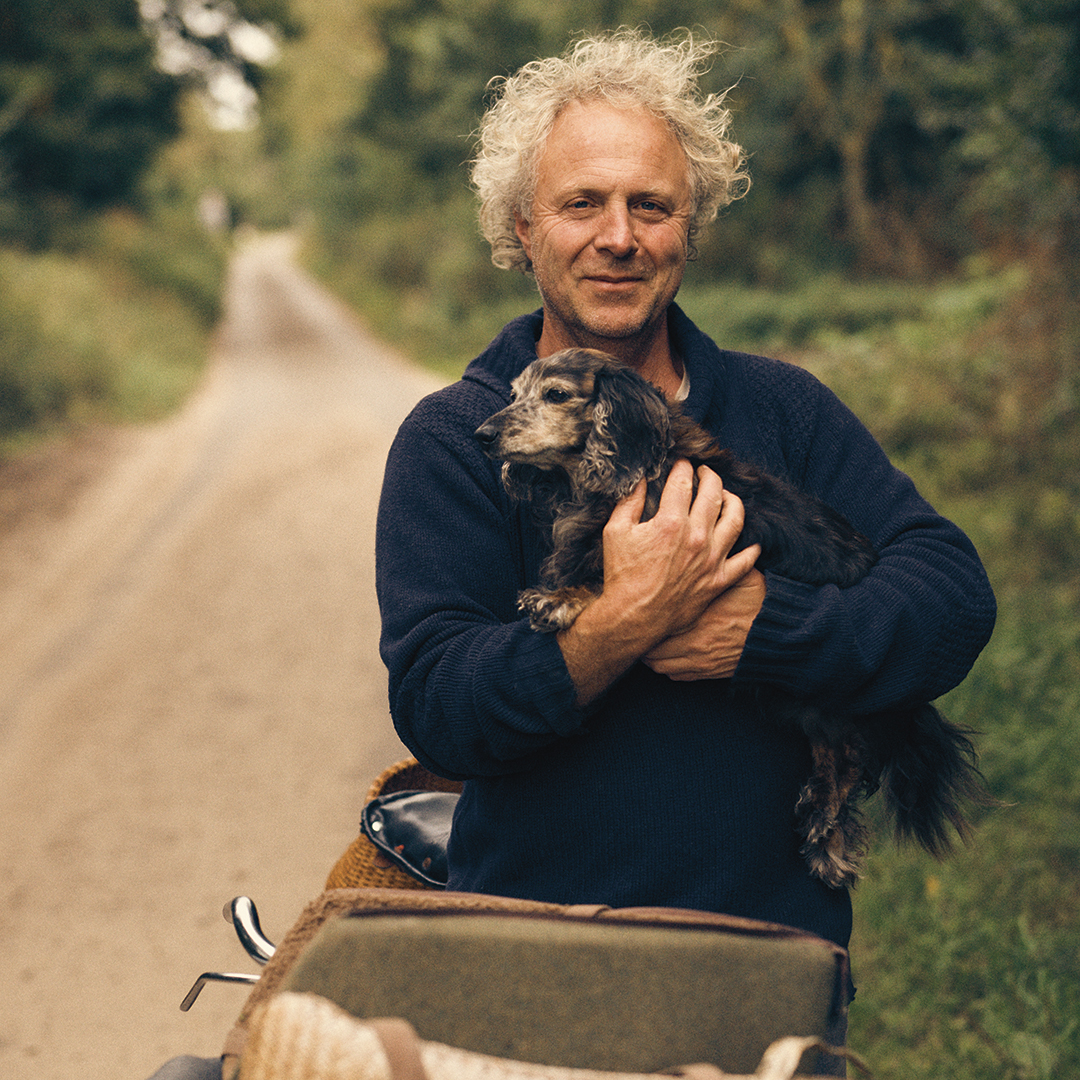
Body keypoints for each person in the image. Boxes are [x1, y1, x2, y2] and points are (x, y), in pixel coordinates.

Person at [376, 28, 996, 952]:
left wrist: (766, 630)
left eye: (652, 206)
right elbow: (440, 708)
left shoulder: (785, 409)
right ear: (523, 227)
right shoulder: (452, 442)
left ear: (689, 227)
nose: (618, 237)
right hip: (535, 950)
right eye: (581, 202)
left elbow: (950, 597)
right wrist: (625, 618)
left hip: (766, 953)